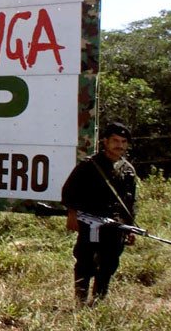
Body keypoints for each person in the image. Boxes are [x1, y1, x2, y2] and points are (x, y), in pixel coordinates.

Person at [61, 122, 137, 306]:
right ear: (105, 141)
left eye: (123, 142)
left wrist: (130, 227)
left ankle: (97, 302)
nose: (119, 145)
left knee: (109, 263)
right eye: (115, 141)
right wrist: (72, 214)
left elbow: (130, 202)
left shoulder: (128, 170)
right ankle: (80, 300)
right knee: (86, 260)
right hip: (91, 224)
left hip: (115, 226)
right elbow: (68, 191)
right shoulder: (89, 166)